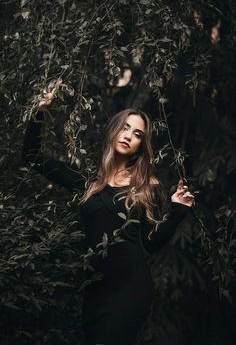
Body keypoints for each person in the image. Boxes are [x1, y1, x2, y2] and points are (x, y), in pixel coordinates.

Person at [22, 90, 194, 345]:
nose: (129, 136)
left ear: (140, 146)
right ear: (114, 130)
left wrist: (178, 210)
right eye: (125, 128)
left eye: (138, 134)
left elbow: (151, 243)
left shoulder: (146, 186)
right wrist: (40, 111)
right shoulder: (86, 183)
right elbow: (32, 157)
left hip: (130, 287)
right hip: (96, 288)